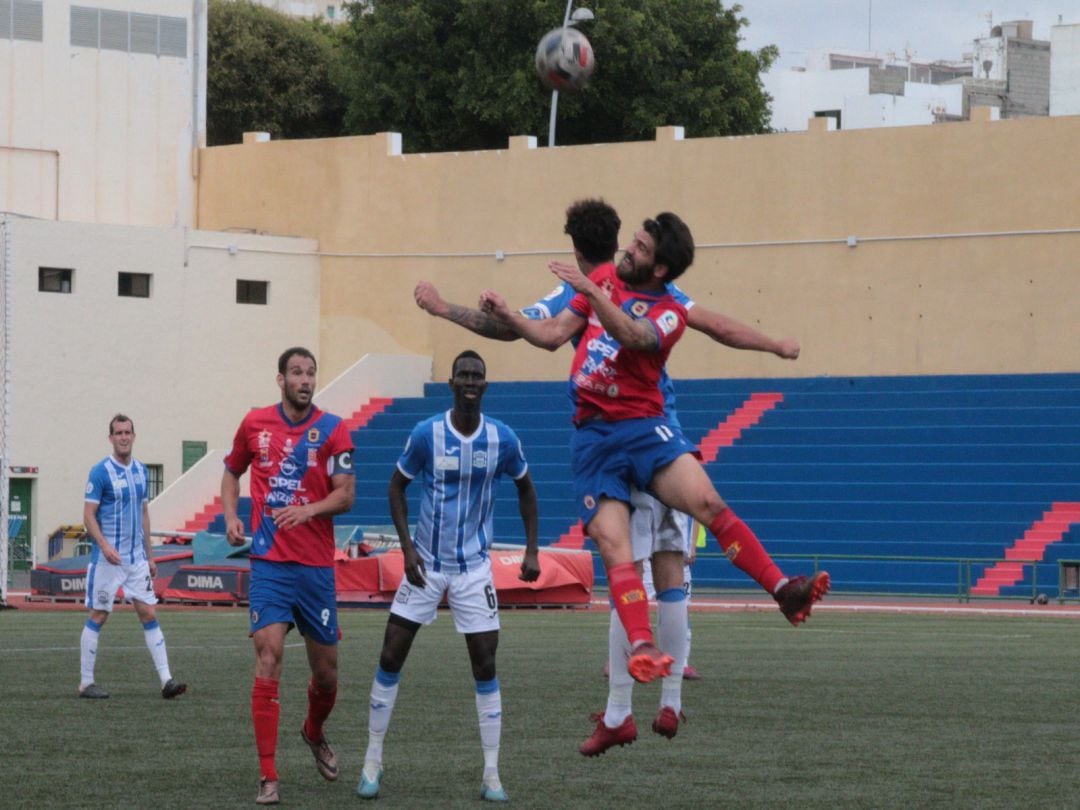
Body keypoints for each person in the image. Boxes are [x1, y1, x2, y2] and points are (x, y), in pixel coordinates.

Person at [416, 199, 800, 750]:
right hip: (617, 431)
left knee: (651, 564)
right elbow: (543, 332)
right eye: (631, 243)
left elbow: (656, 328)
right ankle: (639, 703)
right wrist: (774, 343)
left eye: (641, 248)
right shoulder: (597, 286)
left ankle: (653, 702)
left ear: (575, 245)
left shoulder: (622, 290)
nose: (631, 252)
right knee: (642, 567)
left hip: (646, 429)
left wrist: (444, 307)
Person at [357, 350, 540, 803]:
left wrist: (532, 549)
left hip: (475, 570)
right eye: (463, 375)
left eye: (478, 375)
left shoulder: (502, 438)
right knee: (390, 655)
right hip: (426, 568)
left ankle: (492, 774)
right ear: (452, 383)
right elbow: (396, 487)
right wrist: (408, 548)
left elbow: (526, 488)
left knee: (485, 665)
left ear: (485, 384)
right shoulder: (426, 435)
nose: (471, 381)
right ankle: (372, 762)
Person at [221, 347, 356, 806]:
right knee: (269, 655)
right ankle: (268, 775)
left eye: (311, 372)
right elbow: (230, 471)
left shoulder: (335, 430)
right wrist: (229, 516)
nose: (305, 379)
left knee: (327, 676)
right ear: (280, 379)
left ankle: (313, 730)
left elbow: (346, 496)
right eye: (297, 372)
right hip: (270, 564)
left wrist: (308, 510)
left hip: (315, 568)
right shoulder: (254, 424)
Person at [79, 414, 186, 701]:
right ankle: (86, 683)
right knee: (99, 615)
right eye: (118, 433)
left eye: (128, 432)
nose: (123, 437)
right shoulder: (100, 472)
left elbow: (144, 513)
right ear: (111, 438)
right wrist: (103, 546)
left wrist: (150, 556)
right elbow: (88, 515)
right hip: (107, 561)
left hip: (136, 559)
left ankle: (166, 681)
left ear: (134, 436)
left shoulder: (140, 471)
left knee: (148, 612)